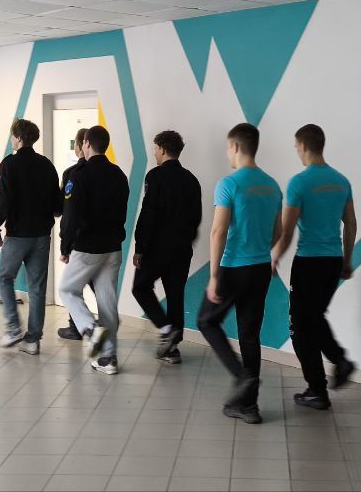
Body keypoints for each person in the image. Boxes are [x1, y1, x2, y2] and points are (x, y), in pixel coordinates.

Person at [199, 123, 282, 425]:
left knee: (206, 320)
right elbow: (278, 231)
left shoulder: (229, 184)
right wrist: (259, 250)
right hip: (260, 269)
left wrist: (213, 276)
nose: (227, 153)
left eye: (227, 148)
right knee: (249, 335)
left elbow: (218, 231)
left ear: (235, 147)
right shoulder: (272, 185)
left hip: (233, 268)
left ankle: (241, 376)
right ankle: (249, 407)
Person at [272, 124, 358, 411]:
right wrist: (347, 260)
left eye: (296, 147)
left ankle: (319, 387)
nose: (296, 151)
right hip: (333, 261)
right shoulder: (341, 181)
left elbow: (287, 231)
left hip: (308, 261)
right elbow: (351, 222)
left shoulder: (299, 182)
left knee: (299, 326)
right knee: (313, 318)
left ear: (304, 146)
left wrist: (274, 257)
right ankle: (335, 365)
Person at [58, 125, 129, 375]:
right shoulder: (118, 174)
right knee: (107, 302)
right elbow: (122, 212)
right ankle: (108, 358)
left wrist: (65, 246)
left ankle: (91, 329)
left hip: (87, 248)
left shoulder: (80, 175)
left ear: (86, 144)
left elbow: (70, 217)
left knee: (67, 290)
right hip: (113, 248)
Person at [0, 119, 63, 355]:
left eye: (13, 135)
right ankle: (32, 340)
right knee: (37, 288)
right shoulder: (47, 165)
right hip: (42, 236)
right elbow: (58, 206)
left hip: (18, 235)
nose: (12, 139)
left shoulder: (9, 164)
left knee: (4, 278)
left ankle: (13, 327)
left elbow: (3, 200)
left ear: (19, 138)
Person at [131, 130, 202, 365]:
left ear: (162, 149)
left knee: (140, 288)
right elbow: (196, 217)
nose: (154, 153)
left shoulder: (155, 176)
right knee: (175, 295)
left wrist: (140, 247)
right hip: (182, 249)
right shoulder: (191, 180)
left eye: (155, 149)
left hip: (157, 248)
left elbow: (148, 213)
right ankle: (173, 349)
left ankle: (166, 328)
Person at [56, 128, 88, 342]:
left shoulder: (72, 174)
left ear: (80, 146)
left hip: (79, 242)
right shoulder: (113, 172)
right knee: (100, 289)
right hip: (106, 244)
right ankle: (103, 328)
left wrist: (64, 246)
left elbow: (66, 212)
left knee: (71, 288)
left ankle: (79, 327)